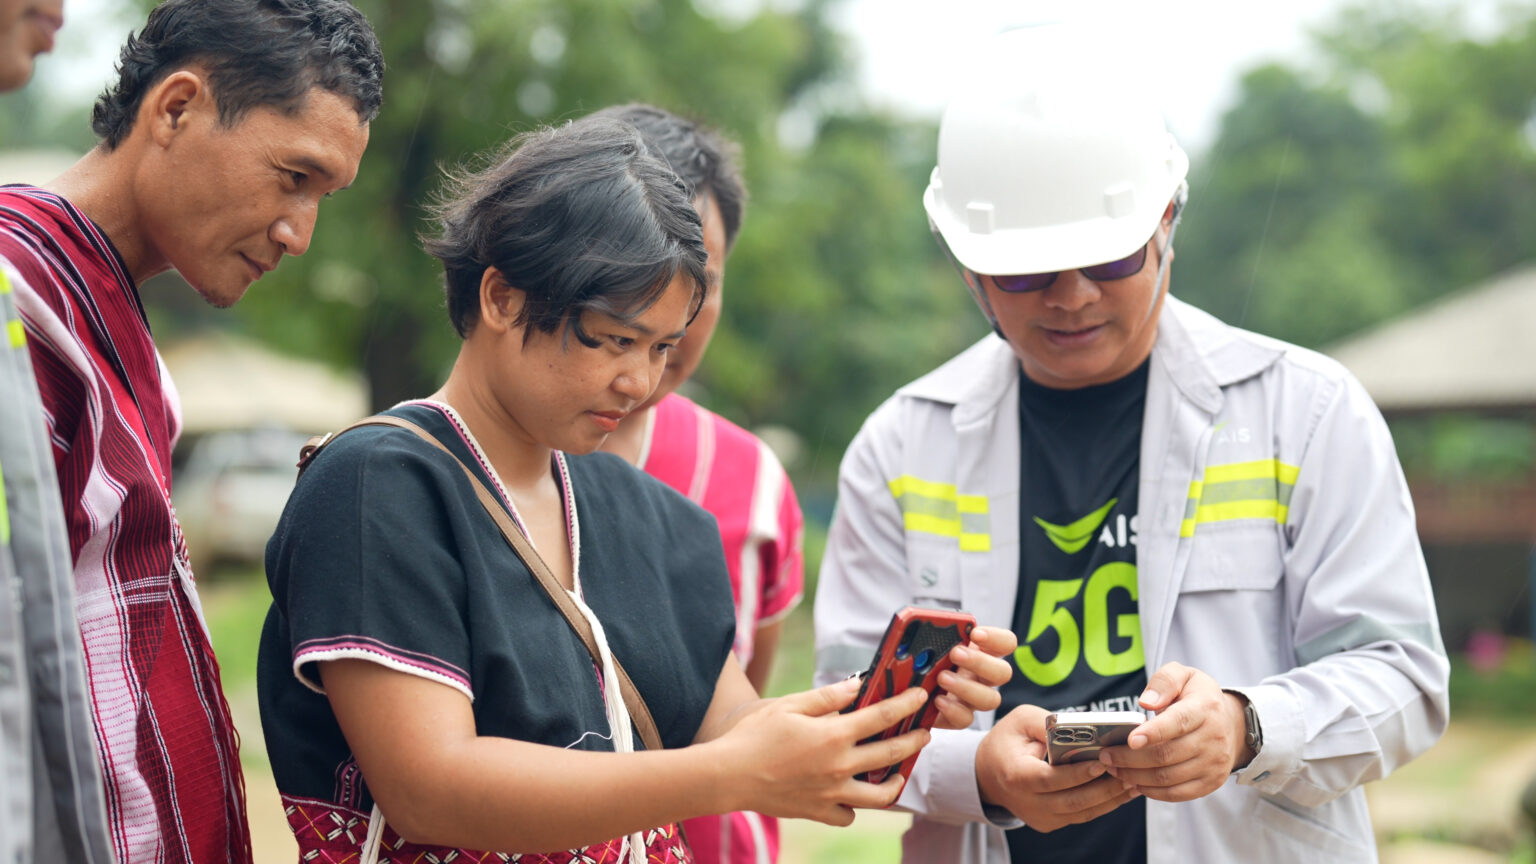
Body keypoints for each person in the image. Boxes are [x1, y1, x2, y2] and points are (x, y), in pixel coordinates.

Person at [256, 116, 1015, 864]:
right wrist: (730, 774)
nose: (640, 380)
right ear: (502, 298)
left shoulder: (649, 515)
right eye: (615, 340)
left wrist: (888, 707)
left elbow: (737, 734)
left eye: (661, 347)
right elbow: (431, 787)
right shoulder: (379, 486)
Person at [814, 23, 1449, 864]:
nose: (1072, 298)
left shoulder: (1306, 412)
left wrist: (1245, 725)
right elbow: (846, 712)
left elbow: (1402, 677)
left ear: (1166, 226)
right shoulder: (902, 447)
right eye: (1026, 272)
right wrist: (981, 773)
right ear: (967, 268)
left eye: (1108, 258)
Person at [0, 1, 383, 861]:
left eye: (323, 196)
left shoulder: (114, 321)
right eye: (293, 177)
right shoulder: (19, 298)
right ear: (176, 108)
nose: (300, 234)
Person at [591, 102, 802, 864]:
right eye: (634, 274)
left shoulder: (753, 482)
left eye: (698, 282)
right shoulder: (447, 472)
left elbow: (746, 702)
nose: (666, 318)